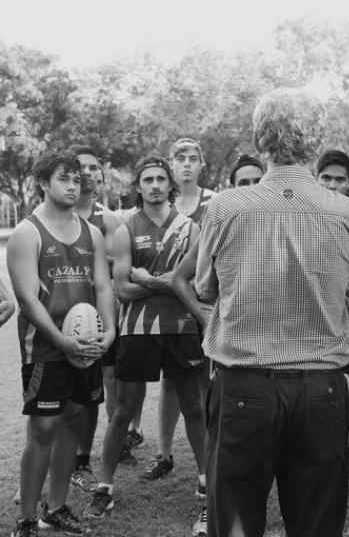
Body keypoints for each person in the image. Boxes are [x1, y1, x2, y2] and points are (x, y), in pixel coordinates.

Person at [195, 88, 349, 537]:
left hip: (245, 385)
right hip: (321, 391)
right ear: (316, 139)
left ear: (259, 137)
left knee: (234, 520)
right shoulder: (347, 212)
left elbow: (204, 288)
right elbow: (348, 286)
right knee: (317, 526)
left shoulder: (225, 207)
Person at [86, 155, 207, 536]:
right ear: (138, 187)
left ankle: (206, 485)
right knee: (123, 410)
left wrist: (152, 281)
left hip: (183, 327)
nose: (154, 185)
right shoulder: (124, 230)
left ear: (170, 184)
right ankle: (104, 486)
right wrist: (171, 282)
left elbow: (197, 285)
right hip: (137, 331)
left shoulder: (192, 229)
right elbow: (121, 288)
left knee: (194, 408)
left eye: (160, 179)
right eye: (147, 180)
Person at [8, 151, 115, 537]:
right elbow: (27, 300)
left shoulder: (93, 233)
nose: (73, 186)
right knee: (43, 431)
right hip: (46, 348)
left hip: (85, 346)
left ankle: (55, 508)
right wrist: (61, 341)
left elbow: (103, 285)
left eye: (76, 180)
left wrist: (110, 331)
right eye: (63, 179)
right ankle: (26, 519)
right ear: (42, 183)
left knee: (73, 421)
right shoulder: (27, 232)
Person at [68, 145, 136, 493]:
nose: (90, 173)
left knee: (106, 383)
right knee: (71, 391)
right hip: (65, 315)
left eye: (95, 168)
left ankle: (109, 445)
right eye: (82, 167)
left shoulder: (108, 220)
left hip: (101, 315)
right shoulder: (54, 216)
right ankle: (74, 457)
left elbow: (112, 272)